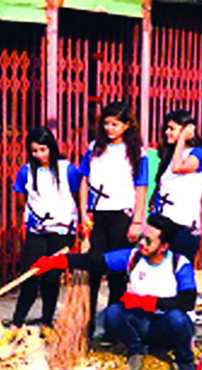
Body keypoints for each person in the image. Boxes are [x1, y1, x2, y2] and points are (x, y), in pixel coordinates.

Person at [31, 214, 197, 370]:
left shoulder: (179, 264)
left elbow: (187, 301)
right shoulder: (133, 257)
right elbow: (96, 262)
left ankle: (185, 361)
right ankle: (136, 350)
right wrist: (60, 261)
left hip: (170, 327)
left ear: (163, 247)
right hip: (145, 324)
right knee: (113, 313)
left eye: (148, 240)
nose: (141, 243)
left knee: (176, 317)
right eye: (141, 237)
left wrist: (148, 302)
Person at [77, 101, 148, 338]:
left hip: (122, 215)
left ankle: (114, 325)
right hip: (98, 214)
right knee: (93, 268)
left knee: (117, 272)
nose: (110, 128)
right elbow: (84, 180)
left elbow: (141, 187)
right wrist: (83, 212)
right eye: (106, 123)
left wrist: (137, 221)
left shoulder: (137, 152)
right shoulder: (95, 147)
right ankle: (86, 323)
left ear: (127, 125)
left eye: (115, 124)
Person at [8, 127, 80, 334]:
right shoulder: (26, 171)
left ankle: (47, 321)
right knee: (30, 275)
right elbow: (21, 196)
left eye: (43, 149)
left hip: (62, 230)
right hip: (37, 230)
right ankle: (17, 321)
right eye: (34, 150)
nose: (39, 155)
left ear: (51, 147)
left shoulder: (67, 169)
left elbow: (76, 194)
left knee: (51, 277)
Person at [149, 109, 202, 263]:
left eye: (173, 129)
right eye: (167, 128)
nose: (167, 132)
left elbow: (179, 167)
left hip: (183, 226)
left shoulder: (198, 153)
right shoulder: (170, 154)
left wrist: (182, 138)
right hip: (162, 222)